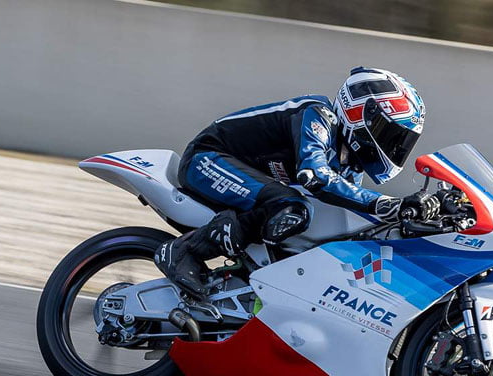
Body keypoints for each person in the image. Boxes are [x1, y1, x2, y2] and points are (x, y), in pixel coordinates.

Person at [155, 66, 440, 298]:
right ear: (361, 113)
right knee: (292, 208)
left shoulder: (350, 167)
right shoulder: (317, 115)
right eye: (389, 134)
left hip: (246, 181)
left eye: (400, 142)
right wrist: (384, 203)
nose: (393, 147)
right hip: (207, 159)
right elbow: (316, 176)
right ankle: (183, 250)